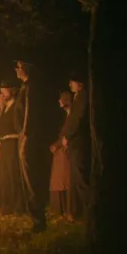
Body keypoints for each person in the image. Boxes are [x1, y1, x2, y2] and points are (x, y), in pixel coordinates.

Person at [14, 60, 48, 233]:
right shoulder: (24, 87)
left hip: (28, 138)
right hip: (23, 136)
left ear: (26, 68)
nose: (16, 70)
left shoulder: (31, 88)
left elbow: (30, 112)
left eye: (19, 67)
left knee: (31, 178)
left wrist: (26, 135)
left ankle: (38, 219)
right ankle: (35, 217)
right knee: (27, 179)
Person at [61, 71, 91, 219]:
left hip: (79, 143)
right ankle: (80, 211)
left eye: (72, 81)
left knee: (80, 177)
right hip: (74, 143)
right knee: (76, 178)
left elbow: (77, 119)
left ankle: (91, 209)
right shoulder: (78, 98)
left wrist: (67, 136)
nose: (69, 84)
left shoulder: (83, 97)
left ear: (79, 83)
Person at [0, 82, 25, 214]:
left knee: (13, 175)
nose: (2, 94)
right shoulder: (4, 109)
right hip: (4, 144)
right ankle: (6, 206)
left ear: (11, 91)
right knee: (4, 176)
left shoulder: (16, 106)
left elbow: (19, 126)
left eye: (4, 91)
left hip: (13, 142)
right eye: (1, 91)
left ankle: (18, 206)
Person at [49, 91, 73, 219]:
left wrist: (58, 144)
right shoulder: (67, 116)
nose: (59, 101)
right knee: (61, 179)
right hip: (61, 151)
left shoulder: (72, 116)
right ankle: (61, 208)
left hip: (67, 152)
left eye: (61, 99)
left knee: (67, 180)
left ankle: (69, 210)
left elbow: (67, 134)